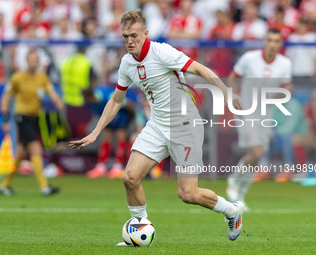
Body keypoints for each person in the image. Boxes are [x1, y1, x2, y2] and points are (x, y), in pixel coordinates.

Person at [70, 9, 245, 243]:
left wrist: (226, 92)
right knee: (130, 178)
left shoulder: (162, 52)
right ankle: (138, 232)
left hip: (185, 127)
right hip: (157, 125)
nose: (129, 41)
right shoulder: (126, 63)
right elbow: (116, 100)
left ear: (145, 33)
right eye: (125, 37)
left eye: (134, 35)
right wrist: (96, 132)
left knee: (188, 194)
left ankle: (232, 211)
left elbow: (200, 69)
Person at [226, 28, 293, 205]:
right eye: (270, 40)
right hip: (246, 110)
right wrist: (233, 96)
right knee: (258, 152)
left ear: (280, 44)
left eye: (276, 41)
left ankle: (240, 194)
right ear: (264, 41)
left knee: (257, 158)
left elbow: (287, 88)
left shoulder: (285, 64)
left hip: (266, 114)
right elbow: (232, 77)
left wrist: (284, 93)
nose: (272, 44)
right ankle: (233, 181)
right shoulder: (249, 59)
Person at [0, 51, 64, 196]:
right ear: (27, 61)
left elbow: (51, 92)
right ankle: (44, 186)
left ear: (38, 62)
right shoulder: (17, 77)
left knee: (21, 153)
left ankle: (4, 184)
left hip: (35, 118)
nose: (33, 62)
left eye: (36, 60)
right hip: (22, 116)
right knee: (36, 148)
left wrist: (58, 102)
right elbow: (5, 98)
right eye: (31, 59)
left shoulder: (42, 77)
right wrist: (5, 119)